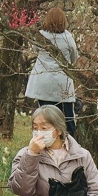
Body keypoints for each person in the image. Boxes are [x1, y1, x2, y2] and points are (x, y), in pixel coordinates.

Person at [25, 7, 78, 135]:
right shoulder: (68, 38)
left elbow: (35, 49)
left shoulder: (41, 36)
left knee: (44, 116)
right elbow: (74, 57)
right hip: (62, 82)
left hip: (43, 81)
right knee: (67, 117)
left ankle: (43, 142)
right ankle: (70, 144)